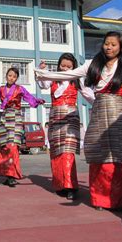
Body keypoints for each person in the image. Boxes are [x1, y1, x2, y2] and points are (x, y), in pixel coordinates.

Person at [35, 31, 122, 211]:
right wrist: (43, 74)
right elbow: (69, 75)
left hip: (119, 113)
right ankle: (101, 198)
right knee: (100, 154)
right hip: (99, 112)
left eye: (113, 44)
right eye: (106, 43)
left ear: (120, 47)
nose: (109, 47)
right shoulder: (92, 65)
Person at [36, 53, 95, 200]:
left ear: (74, 67)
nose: (66, 69)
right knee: (56, 151)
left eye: (69, 66)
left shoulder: (76, 80)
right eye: (63, 66)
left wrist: (102, 101)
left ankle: (71, 186)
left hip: (70, 116)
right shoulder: (53, 78)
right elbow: (43, 84)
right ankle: (59, 185)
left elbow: (89, 94)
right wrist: (41, 69)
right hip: (55, 116)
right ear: (58, 66)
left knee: (68, 152)